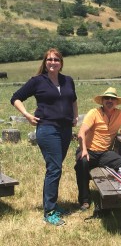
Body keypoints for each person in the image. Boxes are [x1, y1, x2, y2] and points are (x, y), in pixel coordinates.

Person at [10, 48, 78, 226]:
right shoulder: (37, 81)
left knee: (57, 167)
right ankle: (49, 211)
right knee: (54, 169)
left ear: (61, 62)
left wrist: (75, 116)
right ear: (45, 62)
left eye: (56, 59)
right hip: (48, 129)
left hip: (65, 130)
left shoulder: (67, 80)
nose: (53, 62)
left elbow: (73, 99)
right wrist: (27, 115)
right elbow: (16, 97)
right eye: (49, 59)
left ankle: (52, 204)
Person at [74, 87, 121, 211]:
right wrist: (83, 150)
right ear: (102, 101)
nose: (109, 101)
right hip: (89, 150)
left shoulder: (120, 114)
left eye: (113, 99)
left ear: (116, 102)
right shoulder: (94, 113)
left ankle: (116, 193)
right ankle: (84, 200)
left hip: (104, 153)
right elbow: (81, 133)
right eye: (107, 98)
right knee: (82, 163)